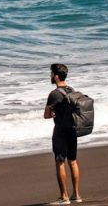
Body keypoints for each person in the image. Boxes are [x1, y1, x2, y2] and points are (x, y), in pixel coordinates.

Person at [44, 63, 83, 204]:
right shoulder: (71, 90)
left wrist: (53, 113)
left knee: (60, 162)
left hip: (61, 132)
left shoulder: (54, 94)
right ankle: (76, 195)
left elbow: (46, 115)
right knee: (73, 161)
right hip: (73, 130)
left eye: (50, 73)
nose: (50, 76)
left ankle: (64, 197)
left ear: (55, 76)